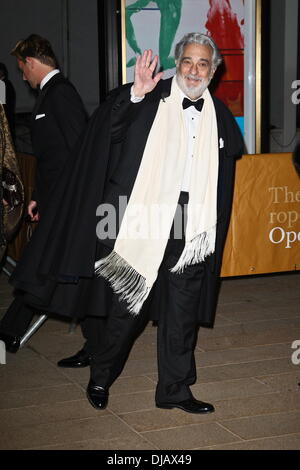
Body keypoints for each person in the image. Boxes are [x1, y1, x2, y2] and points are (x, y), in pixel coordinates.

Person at [8, 32, 243, 414]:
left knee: (182, 312)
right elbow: (109, 131)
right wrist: (134, 93)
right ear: (177, 63)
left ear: (213, 71)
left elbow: (224, 177)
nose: (194, 70)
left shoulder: (219, 116)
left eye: (203, 64)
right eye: (188, 61)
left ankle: (175, 389)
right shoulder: (149, 97)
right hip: (142, 218)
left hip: (192, 223)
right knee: (128, 306)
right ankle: (101, 375)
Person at [0, 34, 87, 352]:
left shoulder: (60, 94)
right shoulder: (50, 94)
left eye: (22, 68)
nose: (22, 76)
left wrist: (68, 201)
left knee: (41, 267)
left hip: (69, 203)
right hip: (57, 200)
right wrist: (39, 196)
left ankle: (8, 331)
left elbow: (80, 150)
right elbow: (53, 158)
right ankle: (96, 346)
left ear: (32, 63)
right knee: (62, 272)